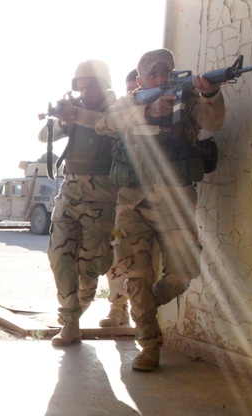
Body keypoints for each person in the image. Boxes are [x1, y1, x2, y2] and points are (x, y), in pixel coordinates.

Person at [53, 48, 226, 370]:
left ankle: (144, 302)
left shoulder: (188, 99)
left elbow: (213, 122)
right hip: (133, 203)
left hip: (176, 201)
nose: (160, 79)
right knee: (137, 274)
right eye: (153, 74)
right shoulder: (130, 102)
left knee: (184, 272)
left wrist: (210, 93)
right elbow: (106, 123)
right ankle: (149, 344)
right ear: (142, 77)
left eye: (165, 73)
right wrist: (146, 111)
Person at [40, 60, 119, 347]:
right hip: (70, 193)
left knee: (90, 266)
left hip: (102, 198)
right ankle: (70, 322)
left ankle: (79, 309)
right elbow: (43, 136)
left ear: (105, 84)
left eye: (91, 86)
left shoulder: (118, 109)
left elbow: (108, 126)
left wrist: (78, 114)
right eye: (81, 87)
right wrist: (62, 117)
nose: (86, 92)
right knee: (59, 257)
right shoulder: (76, 110)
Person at [99, 68, 141, 328]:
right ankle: (118, 309)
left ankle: (143, 312)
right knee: (116, 258)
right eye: (130, 90)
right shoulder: (118, 118)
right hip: (119, 204)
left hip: (151, 202)